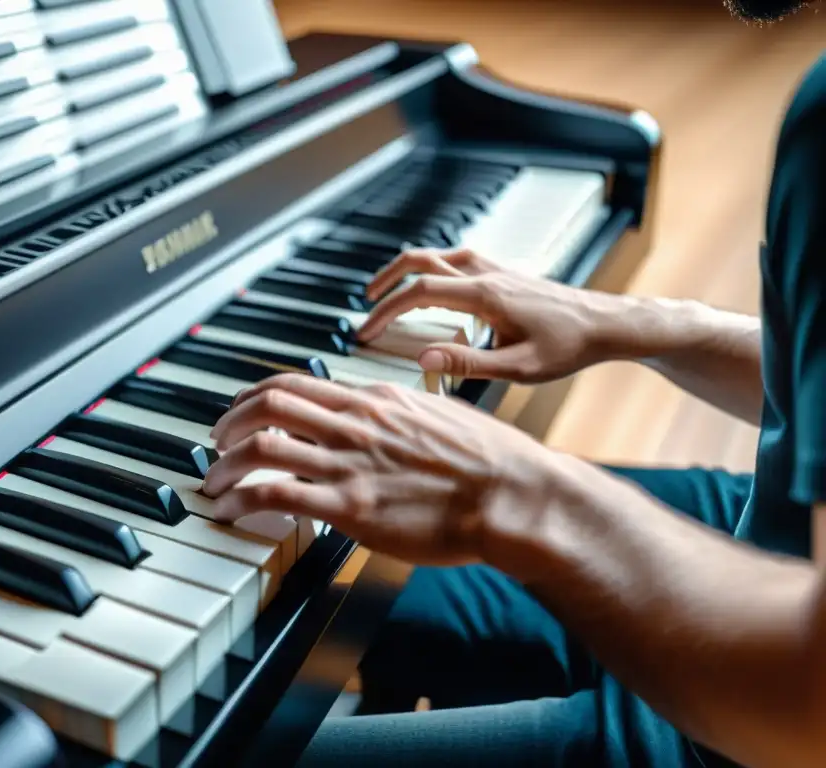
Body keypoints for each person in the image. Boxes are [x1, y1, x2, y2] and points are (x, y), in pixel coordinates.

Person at [202, 1, 826, 765]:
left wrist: (513, 490)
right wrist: (653, 323)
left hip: (777, 712)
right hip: (786, 541)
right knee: (313, 561)